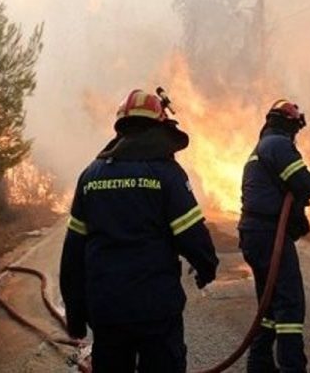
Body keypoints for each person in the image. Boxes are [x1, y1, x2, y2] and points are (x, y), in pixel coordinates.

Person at [60, 89, 219, 373]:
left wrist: (75, 314)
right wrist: (207, 267)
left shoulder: (91, 176)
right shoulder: (166, 174)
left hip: (107, 311)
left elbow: (73, 253)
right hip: (155, 309)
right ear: (157, 126)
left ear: (121, 127)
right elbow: (192, 234)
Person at [239, 99, 310, 373]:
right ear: (290, 125)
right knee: (290, 305)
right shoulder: (279, 145)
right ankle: (293, 367)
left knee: (269, 305)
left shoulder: (263, 146)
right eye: (296, 128)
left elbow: (291, 181)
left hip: (254, 234)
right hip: (270, 235)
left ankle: (259, 365)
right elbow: (302, 184)